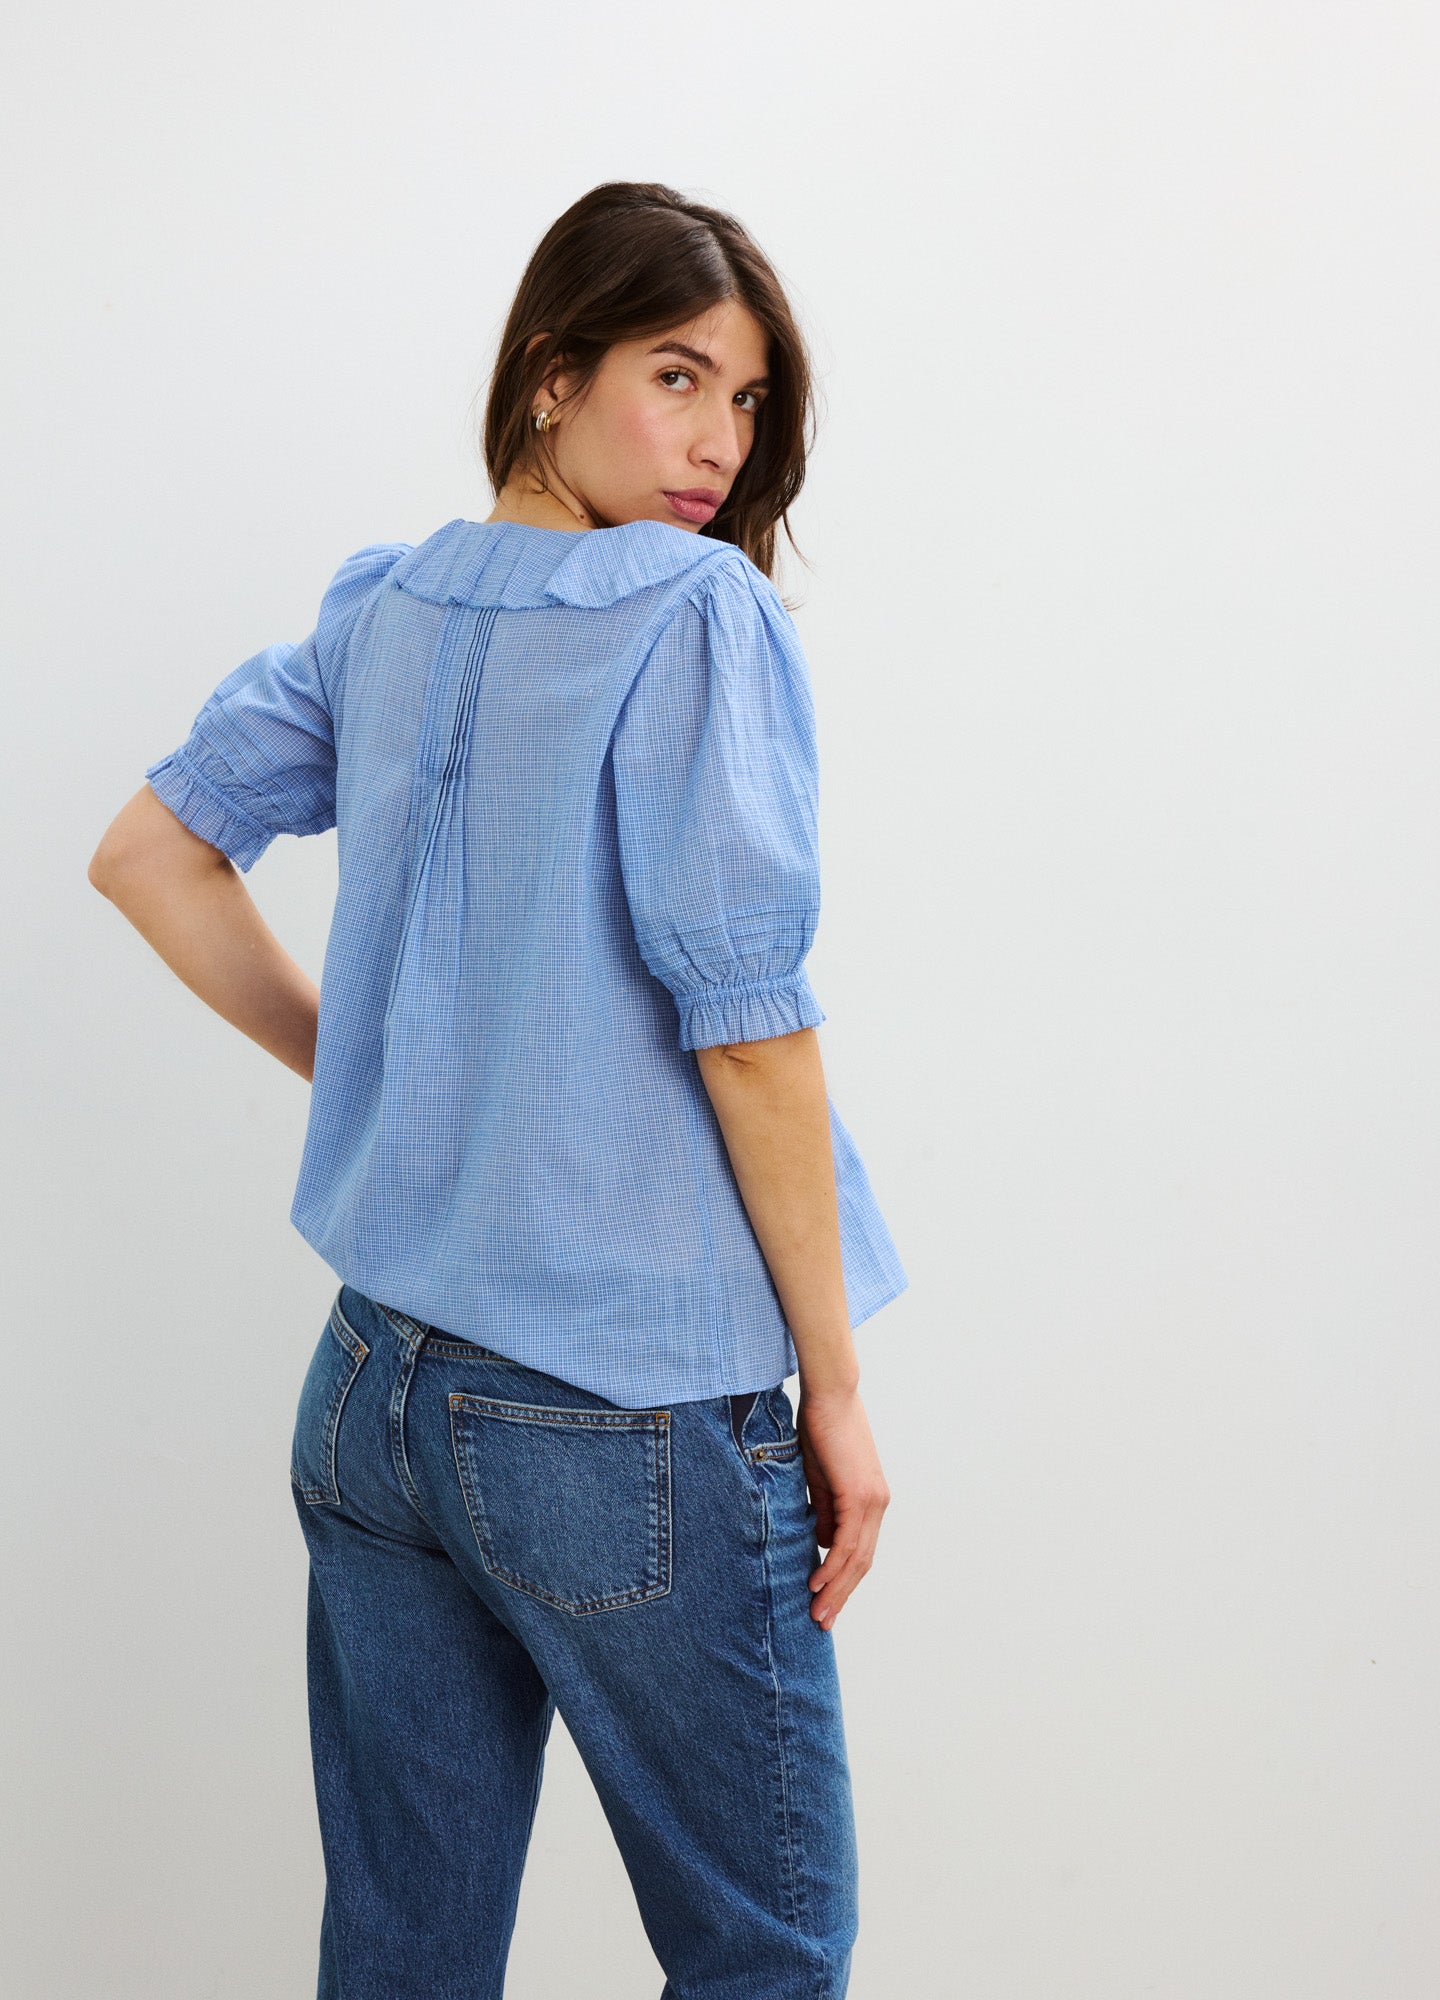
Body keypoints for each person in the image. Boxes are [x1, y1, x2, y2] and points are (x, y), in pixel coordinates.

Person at [88, 180, 909, 2000]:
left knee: (400, 1956)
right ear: (551, 376)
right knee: (766, 1957)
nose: (718, 445)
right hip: (626, 1414)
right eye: (677, 378)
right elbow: (752, 1028)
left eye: (752, 401)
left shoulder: (388, 609)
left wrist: (378, 1065)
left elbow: (153, 854)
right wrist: (835, 1390)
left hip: (375, 1391)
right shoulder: (692, 616)